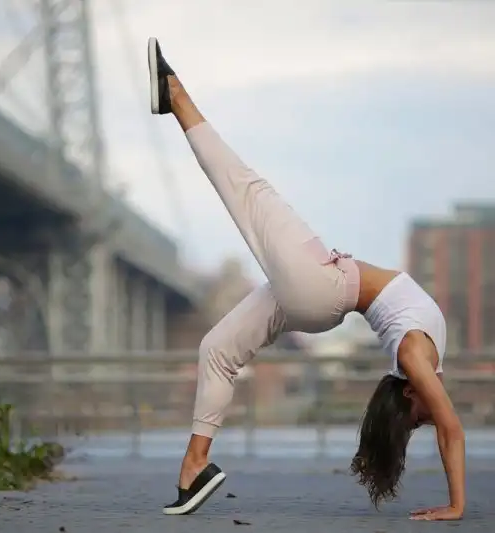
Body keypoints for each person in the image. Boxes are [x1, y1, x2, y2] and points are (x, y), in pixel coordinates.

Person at [147, 37, 466, 521]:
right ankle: (195, 467)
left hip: (324, 288)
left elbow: (452, 429)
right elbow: (448, 425)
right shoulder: (421, 356)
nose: (430, 416)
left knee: (248, 190)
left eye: (417, 418)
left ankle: (175, 95)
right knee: (217, 350)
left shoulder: (412, 359)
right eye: (423, 420)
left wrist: (457, 506)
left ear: (408, 391)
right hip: (319, 294)